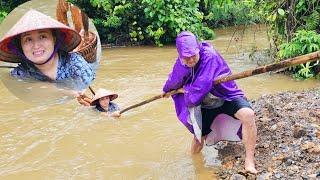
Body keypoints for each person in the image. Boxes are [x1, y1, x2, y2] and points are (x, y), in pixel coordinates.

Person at [162, 31, 257, 174]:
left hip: (224, 95)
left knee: (248, 115)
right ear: (180, 55)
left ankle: (249, 160)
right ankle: (195, 165)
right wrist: (167, 90)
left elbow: (201, 86)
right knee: (199, 138)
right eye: (186, 58)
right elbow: (174, 79)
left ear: (198, 48)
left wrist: (183, 90)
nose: (190, 60)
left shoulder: (209, 55)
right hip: (205, 103)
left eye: (193, 56)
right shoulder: (181, 63)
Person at [0, 9, 94, 91]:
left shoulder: (75, 63)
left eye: (42, 36)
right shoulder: (20, 74)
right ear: (20, 46)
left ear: (54, 39)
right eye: (28, 39)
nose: (36, 46)